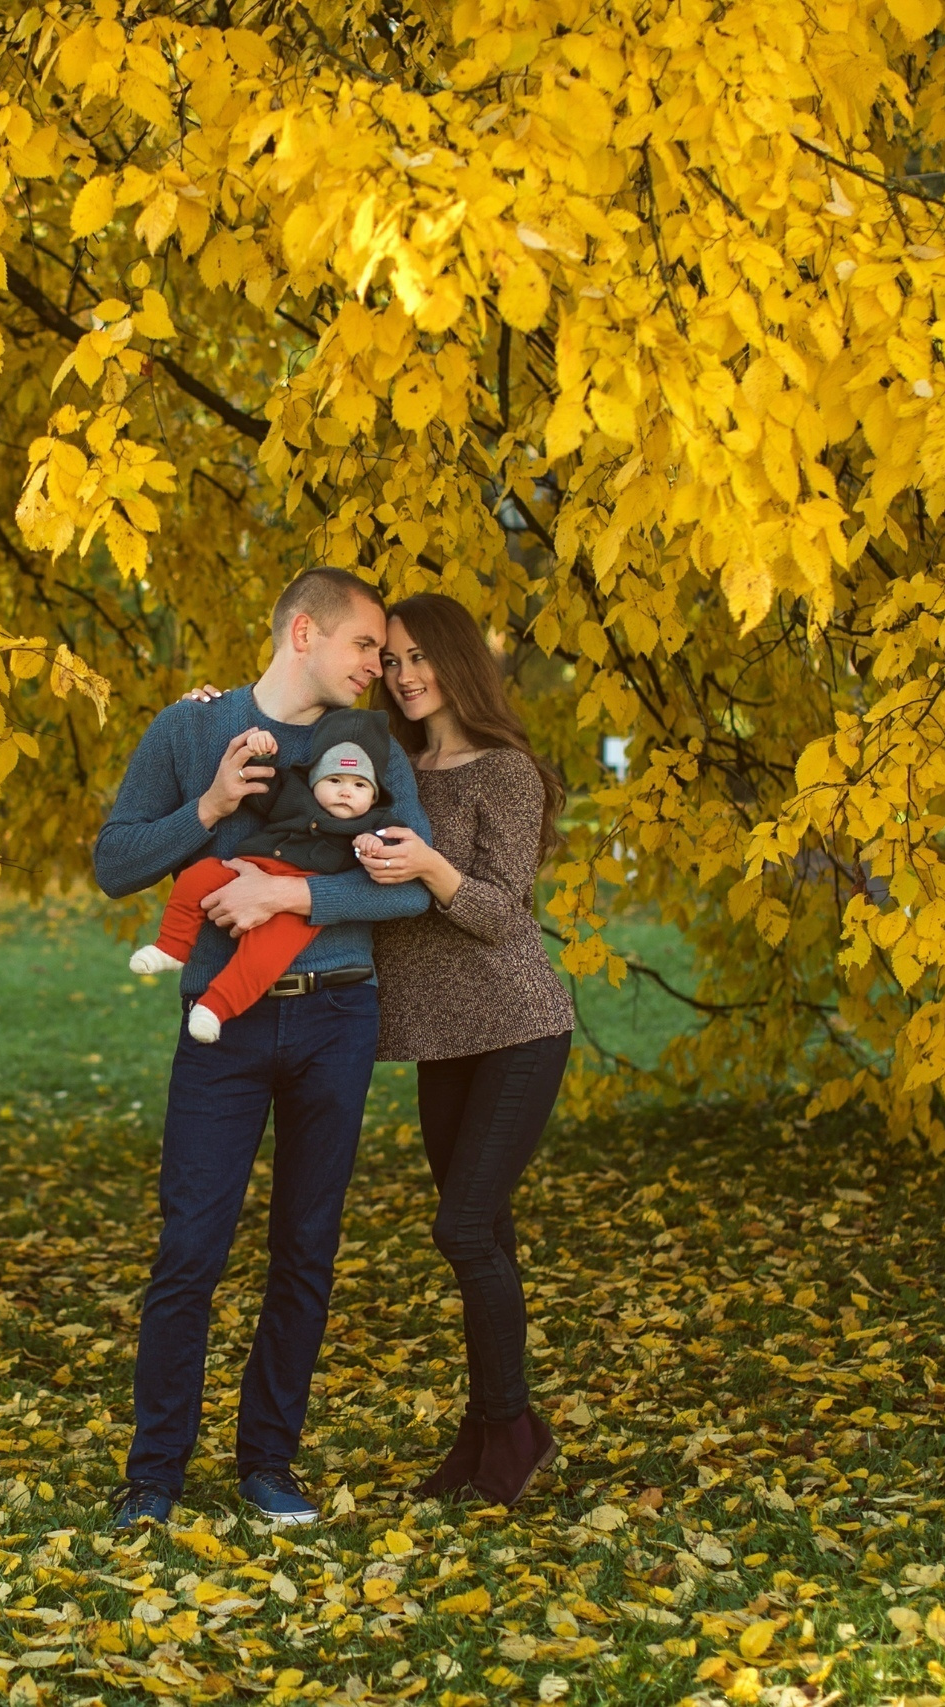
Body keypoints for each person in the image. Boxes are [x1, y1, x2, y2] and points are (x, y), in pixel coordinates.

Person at [93, 569, 433, 1529]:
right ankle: (152, 1477)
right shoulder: (193, 729)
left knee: (305, 1250)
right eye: (366, 645)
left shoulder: (372, 747)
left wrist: (296, 898)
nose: (379, 666)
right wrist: (202, 812)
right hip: (223, 1021)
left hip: (338, 1017)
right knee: (189, 1250)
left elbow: (414, 883)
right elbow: (115, 862)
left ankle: (267, 1463)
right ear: (304, 633)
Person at [356, 593, 575, 1510]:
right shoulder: (391, 767)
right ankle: (487, 1430)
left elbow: (503, 911)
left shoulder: (506, 771)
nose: (406, 675)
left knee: (459, 1227)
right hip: (442, 1038)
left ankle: (515, 1424)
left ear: (455, 661)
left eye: (419, 657)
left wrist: (431, 869)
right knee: (487, 1236)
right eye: (393, 660)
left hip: (519, 1026)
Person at [129, 707, 408, 1043]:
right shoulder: (296, 795)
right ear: (315, 781)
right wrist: (259, 751)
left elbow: (398, 853)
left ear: (375, 795)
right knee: (197, 877)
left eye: (359, 785)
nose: (345, 791)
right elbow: (261, 783)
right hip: (248, 868)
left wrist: (373, 844)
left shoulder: (374, 822)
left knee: (265, 956)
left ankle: (215, 1007)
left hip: (297, 904)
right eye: (334, 780)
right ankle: (171, 947)